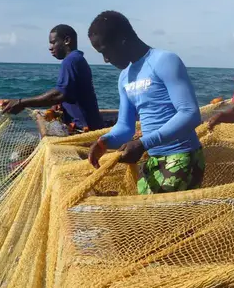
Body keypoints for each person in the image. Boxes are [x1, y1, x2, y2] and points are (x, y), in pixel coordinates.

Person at [87, 11, 204, 195]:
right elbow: (125, 127)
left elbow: (190, 113)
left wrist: (143, 144)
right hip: (151, 158)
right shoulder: (125, 77)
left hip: (182, 156)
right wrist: (104, 142)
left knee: (159, 220)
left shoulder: (165, 60)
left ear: (121, 40)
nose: (106, 60)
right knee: (147, 217)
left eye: (105, 51)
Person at [0, 25, 104, 131]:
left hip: (85, 130)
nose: (50, 47)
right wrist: (60, 104)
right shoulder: (77, 59)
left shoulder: (70, 61)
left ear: (67, 40)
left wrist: (21, 103)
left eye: (53, 42)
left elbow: (60, 94)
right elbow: (72, 93)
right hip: (91, 125)